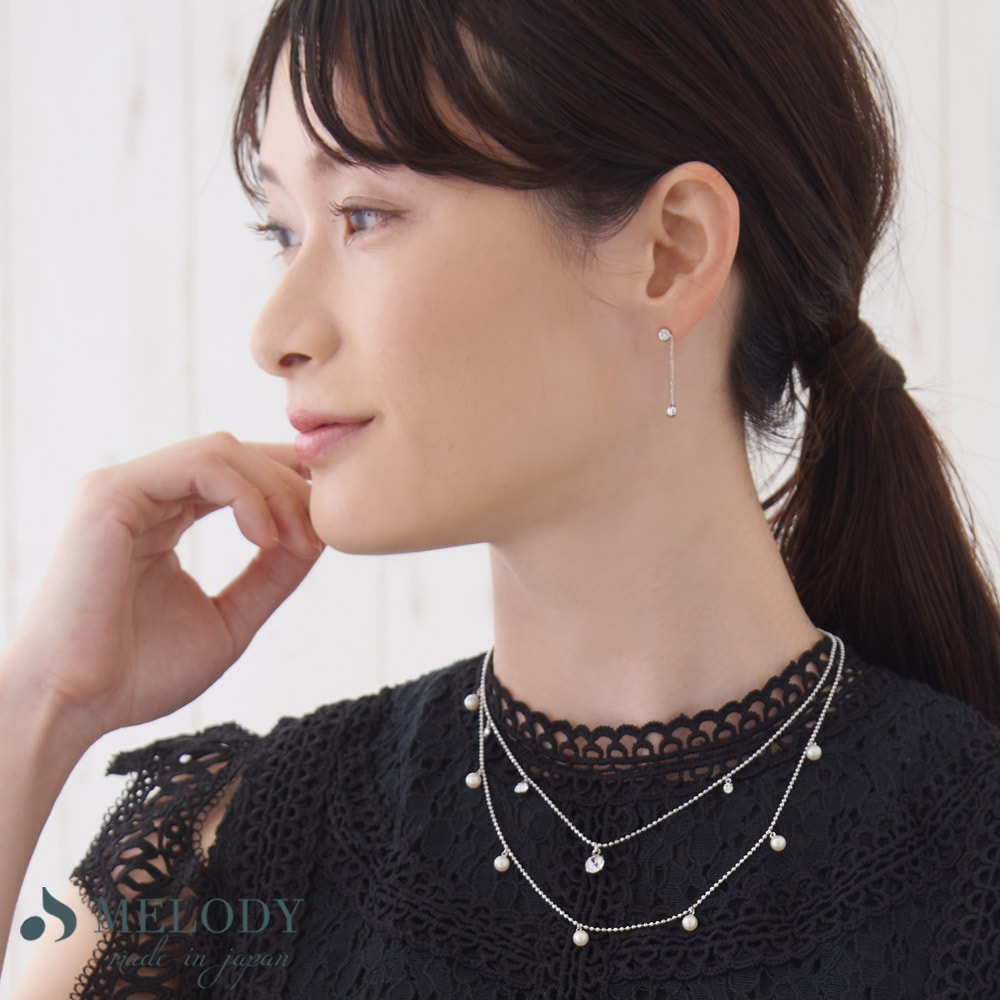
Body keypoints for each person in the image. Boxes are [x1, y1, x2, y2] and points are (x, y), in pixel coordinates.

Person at [3, 0, 1000, 995]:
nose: (274, 333)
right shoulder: (232, 858)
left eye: (363, 216)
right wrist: (44, 704)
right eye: (282, 230)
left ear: (671, 251)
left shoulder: (972, 865)